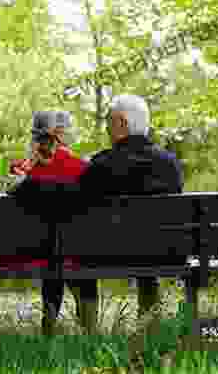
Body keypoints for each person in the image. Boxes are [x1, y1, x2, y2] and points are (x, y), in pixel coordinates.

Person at [77, 94, 184, 321]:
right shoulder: (170, 164)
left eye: (109, 121)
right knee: (149, 250)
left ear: (122, 123)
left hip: (104, 255)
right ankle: (149, 327)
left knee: (81, 255)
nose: (106, 127)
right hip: (163, 253)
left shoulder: (99, 166)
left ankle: (89, 332)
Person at [0, 110, 97, 336]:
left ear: (34, 137)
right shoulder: (82, 169)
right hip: (72, 253)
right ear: (61, 136)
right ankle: (90, 331)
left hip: (30, 252)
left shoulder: (20, 171)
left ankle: (49, 330)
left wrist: (28, 166)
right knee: (68, 259)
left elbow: (1, 198)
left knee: (53, 259)